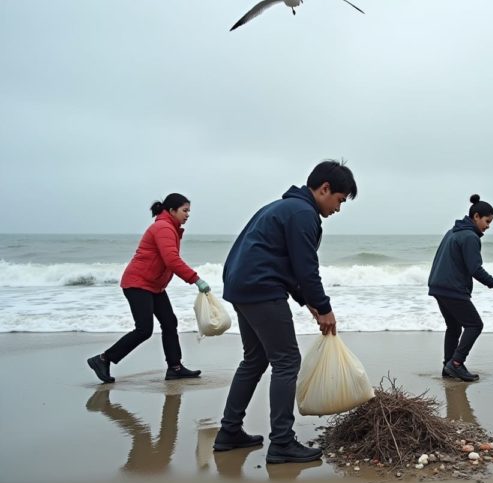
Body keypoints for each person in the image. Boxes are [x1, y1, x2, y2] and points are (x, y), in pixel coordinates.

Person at [212, 160, 357, 464]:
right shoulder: (304, 214)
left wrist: (312, 305)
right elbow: (306, 270)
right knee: (287, 360)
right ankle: (281, 442)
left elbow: (287, 266)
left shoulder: (281, 207)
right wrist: (325, 307)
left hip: (242, 286)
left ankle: (229, 433)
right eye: (340, 200)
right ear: (324, 189)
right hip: (261, 289)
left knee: (254, 360)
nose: (338, 209)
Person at [87, 193, 210, 383]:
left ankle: (175, 368)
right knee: (144, 329)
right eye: (185, 211)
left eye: (189, 211)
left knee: (169, 322)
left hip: (153, 285)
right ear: (171, 210)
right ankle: (103, 359)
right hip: (138, 283)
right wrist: (196, 279)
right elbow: (172, 260)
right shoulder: (163, 228)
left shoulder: (170, 228)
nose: (188, 215)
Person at [428, 194, 493, 382]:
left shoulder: (453, 231)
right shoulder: (470, 237)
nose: (488, 226)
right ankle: (456, 363)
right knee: (475, 325)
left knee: (454, 327)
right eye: (487, 221)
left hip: (438, 286)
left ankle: (448, 367)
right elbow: (475, 269)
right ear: (476, 217)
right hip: (452, 288)